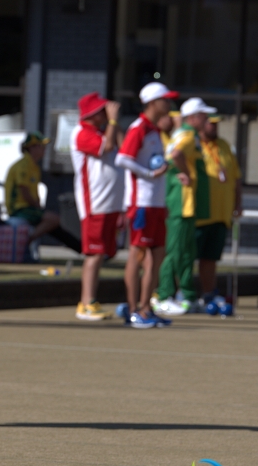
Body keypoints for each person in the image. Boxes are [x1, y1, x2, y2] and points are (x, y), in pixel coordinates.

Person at [115, 82, 176, 329]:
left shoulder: (154, 130)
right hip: (141, 203)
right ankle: (134, 309)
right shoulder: (139, 127)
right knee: (138, 254)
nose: (169, 104)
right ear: (152, 102)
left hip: (155, 203)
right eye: (165, 99)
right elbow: (123, 159)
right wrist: (149, 175)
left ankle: (145, 307)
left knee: (157, 255)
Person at [153, 98, 213, 316]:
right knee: (175, 251)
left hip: (187, 204)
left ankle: (187, 295)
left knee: (187, 252)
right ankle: (163, 295)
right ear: (194, 117)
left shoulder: (190, 135)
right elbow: (174, 155)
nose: (206, 120)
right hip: (178, 202)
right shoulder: (187, 135)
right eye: (204, 115)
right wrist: (185, 173)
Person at [70, 92, 123, 321]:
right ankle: (85, 303)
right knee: (94, 253)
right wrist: (112, 120)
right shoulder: (81, 132)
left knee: (102, 254)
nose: (106, 112)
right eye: (102, 110)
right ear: (92, 113)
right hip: (95, 203)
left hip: (110, 203)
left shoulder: (103, 130)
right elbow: (106, 147)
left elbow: (122, 144)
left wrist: (114, 122)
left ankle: (91, 300)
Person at [4, 132, 82, 253]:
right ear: (31, 148)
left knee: (54, 227)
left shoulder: (34, 166)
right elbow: (24, 190)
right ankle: (26, 242)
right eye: (41, 146)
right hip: (19, 209)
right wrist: (37, 206)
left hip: (29, 208)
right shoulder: (24, 165)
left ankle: (81, 248)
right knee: (53, 220)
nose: (44, 149)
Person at [196, 115, 242, 302]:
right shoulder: (194, 144)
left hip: (221, 214)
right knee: (185, 257)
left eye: (216, 124)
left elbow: (236, 178)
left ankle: (208, 294)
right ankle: (180, 294)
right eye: (210, 123)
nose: (214, 127)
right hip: (199, 214)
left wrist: (237, 204)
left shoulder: (224, 145)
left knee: (211, 258)